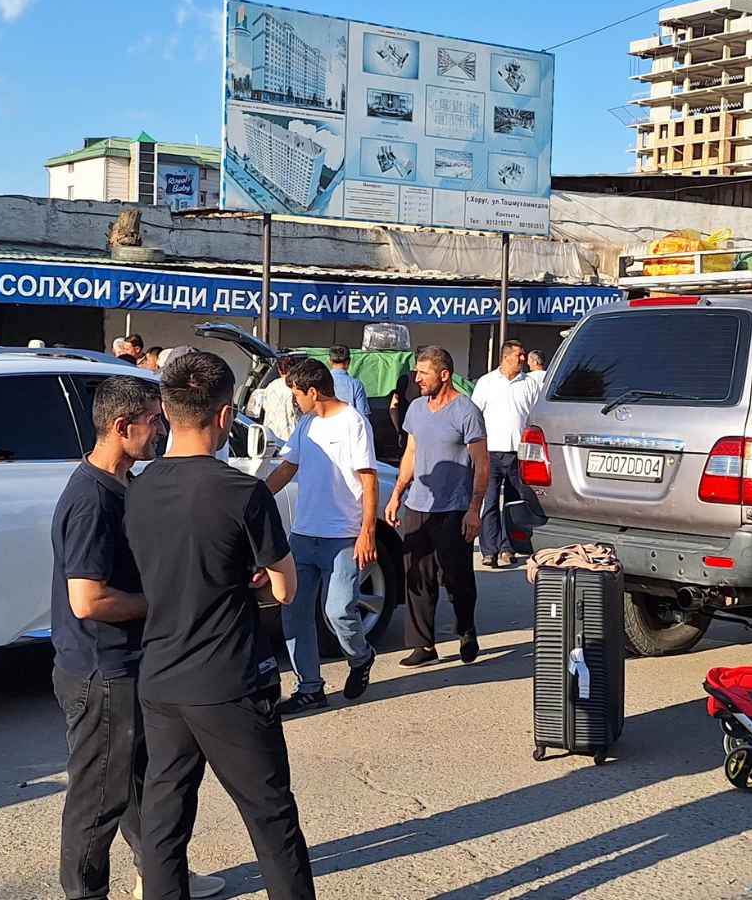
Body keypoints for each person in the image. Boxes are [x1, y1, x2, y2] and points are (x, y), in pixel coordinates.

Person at [127, 352, 315, 900]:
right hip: (229, 681)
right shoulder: (242, 492)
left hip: (159, 678)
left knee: (165, 823)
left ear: (165, 409)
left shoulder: (138, 488)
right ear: (226, 415)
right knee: (270, 817)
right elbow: (285, 588)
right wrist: (254, 579)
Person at [50, 376, 225, 900]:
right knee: (99, 796)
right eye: (154, 421)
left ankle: (161, 876)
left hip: (128, 662)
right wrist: (166, 603)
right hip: (102, 669)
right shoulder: (91, 501)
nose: (162, 429)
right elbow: (89, 600)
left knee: (141, 784)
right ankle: (86, 893)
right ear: (122, 427)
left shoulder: (124, 483)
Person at [264, 358, 378, 714]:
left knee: (339, 611)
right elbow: (288, 467)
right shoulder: (306, 424)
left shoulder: (353, 423)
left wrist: (367, 533)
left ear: (313, 391)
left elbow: (369, 479)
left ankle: (361, 657)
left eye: (296, 393)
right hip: (303, 535)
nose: (294, 400)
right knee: (294, 613)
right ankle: (309, 687)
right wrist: (256, 498)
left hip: (343, 535)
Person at [386, 345, 489, 666]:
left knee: (456, 577)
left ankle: (466, 629)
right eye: (417, 372)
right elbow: (411, 455)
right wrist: (397, 494)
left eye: (424, 373)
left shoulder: (466, 411)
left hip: (454, 508)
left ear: (444, 375)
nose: (417, 378)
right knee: (418, 575)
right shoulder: (416, 408)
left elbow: (482, 463)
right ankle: (424, 645)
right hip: (418, 505)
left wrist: (474, 509)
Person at [471, 340, 533, 568]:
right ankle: (490, 550)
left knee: (514, 502)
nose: (523, 359)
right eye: (519, 355)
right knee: (489, 501)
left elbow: (534, 417)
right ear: (506, 357)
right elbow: (474, 415)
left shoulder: (529, 384)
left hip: (519, 452)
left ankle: (509, 547)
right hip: (491, 452)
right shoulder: (487, 383)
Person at [248, 356, 302, 448]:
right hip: (290, 437)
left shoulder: (270, 386)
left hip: (271, 437)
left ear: (279, 370)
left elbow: (259, 410)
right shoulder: (295, 388)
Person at [325, 345, 373, 419]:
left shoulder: (321, 382)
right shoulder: (356, 384)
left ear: (329, 361)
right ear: (348, 361)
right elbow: (363, 416)